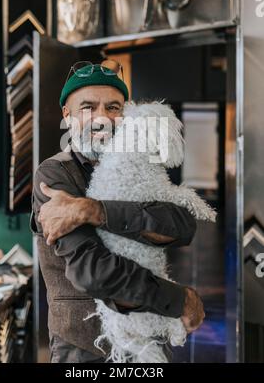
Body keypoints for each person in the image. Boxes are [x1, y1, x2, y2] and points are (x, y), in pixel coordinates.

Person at [30, 61, 205, 363]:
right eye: (88, 107)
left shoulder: (143, 162)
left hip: (148, 337)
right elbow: (92, 271)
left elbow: (181, 226)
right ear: (67, 116)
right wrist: (179, 300)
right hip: (86, 348)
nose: (102, 118)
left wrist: (94, 211)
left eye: (113, 107)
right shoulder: (54, 174)